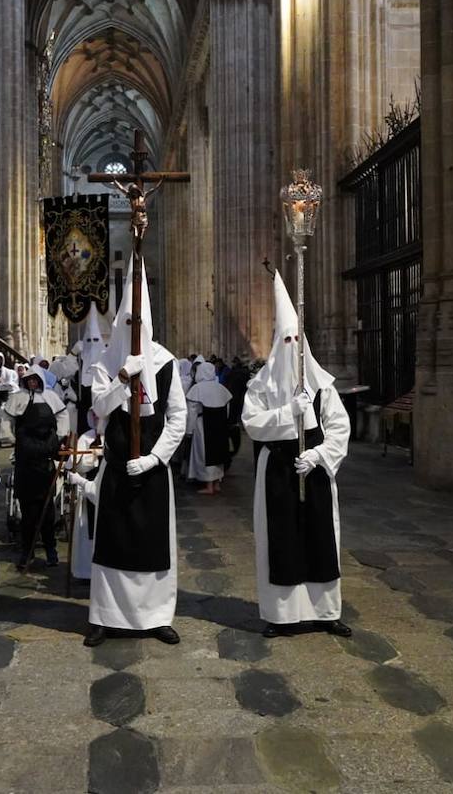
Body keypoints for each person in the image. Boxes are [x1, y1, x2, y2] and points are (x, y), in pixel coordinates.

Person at [242, 272, 352, 639]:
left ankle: (326, 612)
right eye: (284, 340)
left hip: (314, 471)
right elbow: (253, 425)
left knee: (320, 537)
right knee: (281, 540)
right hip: (278, 469)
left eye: (295, 339)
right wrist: (286, 414)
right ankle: (282, 614)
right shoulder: (261, 386)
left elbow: (339, 426)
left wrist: (319, 456)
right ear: (277, 343)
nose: (290, 345)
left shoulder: (322, 385)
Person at [84, 261, 186, 647]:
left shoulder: (166, 363)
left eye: (138, 324)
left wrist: (156, 458)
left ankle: (156, 616)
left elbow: (177, 417)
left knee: (152, 543)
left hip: (151, 469)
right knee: (113, 543)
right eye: (128, 323)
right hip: (116, 467)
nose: (133, 331)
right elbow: (99, 408)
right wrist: (123, 378)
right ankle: (104, 617)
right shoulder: (106, 362)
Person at [4, 364, 66, 569]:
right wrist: (13, 439)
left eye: (35, 379)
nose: (32, 382)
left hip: (45, 460)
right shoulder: (18, 398)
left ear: (40, 380)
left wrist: (59, 439)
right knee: (27, 512)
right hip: (25, 461)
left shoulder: (51, 398)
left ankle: (50, 550)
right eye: (28, 379)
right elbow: (7, 420)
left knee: (47, 511)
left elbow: (62, 417)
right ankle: (26, 551)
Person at [66, 409, 104, 582]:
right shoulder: (86, 437)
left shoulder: (112, 435)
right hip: (88, 487)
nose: (97, 419)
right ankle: (85, 571)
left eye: (100, 416)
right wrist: (93, 457)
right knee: (86, 530)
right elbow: (78, 464)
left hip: (105, 487)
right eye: (94, 416)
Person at [186, 362, 233, 494]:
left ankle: (209, 486)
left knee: (205, 455)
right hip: (220, 425)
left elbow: (192, 412)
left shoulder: (197, 389)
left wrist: (189, 431)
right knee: (219, 454)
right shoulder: (220, 388)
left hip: (203, 425)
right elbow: (227, 409)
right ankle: (217, 483)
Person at [75, 303, 107, 426]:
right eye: (89, 340)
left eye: (96, 340)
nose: (93, 345)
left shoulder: (106, 364)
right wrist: (73, 354)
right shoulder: (79, 363)